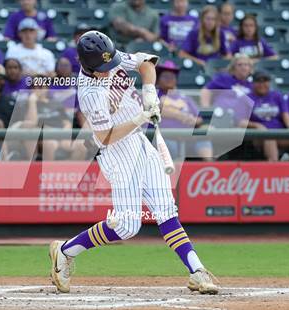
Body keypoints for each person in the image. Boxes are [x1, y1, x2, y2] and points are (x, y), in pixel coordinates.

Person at [49, 31, 219, 295]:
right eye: (103, 68)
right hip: (116, 152)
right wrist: (141, 117)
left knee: (166, 211)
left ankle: (197, 271)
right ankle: (64, 250)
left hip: (140, 143)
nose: (110, 69)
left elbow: (146, 63)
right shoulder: (89, 93)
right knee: (128, 226)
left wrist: (149, 91)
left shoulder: (111, 58)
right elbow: (104, 138)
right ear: (88, 65)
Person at [246, 70, 289, 162]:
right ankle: (275, 168)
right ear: (253, 83)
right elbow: (241, 122)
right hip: (258, 135)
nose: (262, 84)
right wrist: (257, 126)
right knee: (269, 137)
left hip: (278, 132)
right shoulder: (247, 98)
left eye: (265, 81)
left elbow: (285, 114)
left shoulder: (276, 95)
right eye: (258, 81)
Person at [156, 60, 212, 159]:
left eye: (172, 77)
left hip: (189, 137)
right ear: (158, 79)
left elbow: (199, 119)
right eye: (165, 76)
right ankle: (173, 174)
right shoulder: (153, 94)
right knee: (169, 146)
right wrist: (180, 115)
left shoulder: (185, 97)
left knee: (204, 143)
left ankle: (210, 167)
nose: (169, 79)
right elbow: (157, 109)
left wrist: (193, 120)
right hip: (165, 136)